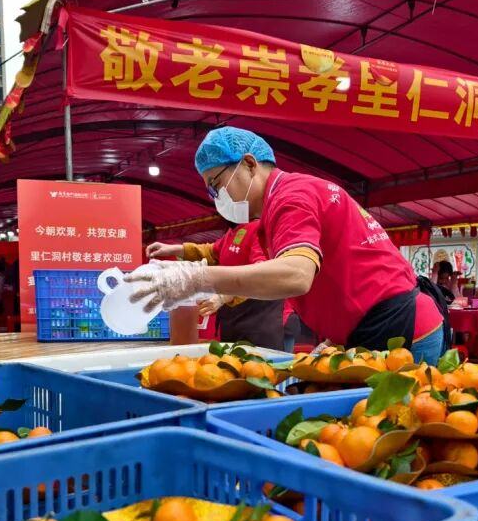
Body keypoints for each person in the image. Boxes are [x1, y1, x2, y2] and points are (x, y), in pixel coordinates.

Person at [126, 127, 450, 361]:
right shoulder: (278, 206)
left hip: (398, 328)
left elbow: (296, 275)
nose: (217, 197)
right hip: (373, 327)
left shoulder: (290, 198)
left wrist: (196, 279)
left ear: (249, 164)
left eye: (217, 184)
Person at [146, 220, 285, 350]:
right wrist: (175, 249)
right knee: (231, 364)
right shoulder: (234, 231)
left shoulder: (258, 229)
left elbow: (262, 275)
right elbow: (211, 251)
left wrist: (224, 297)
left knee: (257, 365)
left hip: (259, 323)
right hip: (232, 321)